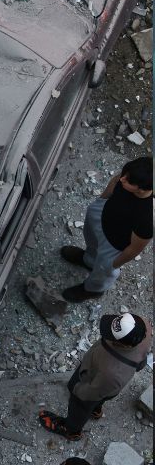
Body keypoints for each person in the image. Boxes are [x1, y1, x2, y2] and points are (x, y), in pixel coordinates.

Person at [39, 312, 151, 441]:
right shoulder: (145, 328)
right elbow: (140, 363)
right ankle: (95, 411)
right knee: (100, 398)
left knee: (80, 407)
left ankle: (71, 431)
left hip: (93, 383)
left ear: (124, 345)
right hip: (107, 387)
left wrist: (76, 389)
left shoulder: (112, 373)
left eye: (112, 335)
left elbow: (91, 393)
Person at [60, 156, 153, 302]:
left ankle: (92, 289)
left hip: (114, 244)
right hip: (101, 218)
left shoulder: (145, 218)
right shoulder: (128, 177)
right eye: (125, 174)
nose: (122, 179)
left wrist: (113, 264)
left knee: (104, 270)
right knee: (92, 244)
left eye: (128, 180)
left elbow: (134, 249)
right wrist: (102, 200)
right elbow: (116, 180)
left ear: (142, 189)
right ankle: (88, 260)